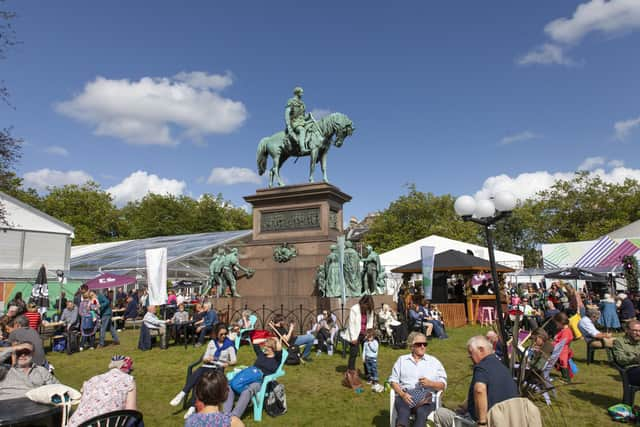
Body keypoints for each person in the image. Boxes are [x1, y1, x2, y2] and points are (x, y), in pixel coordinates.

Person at [434, 336, 518, 427]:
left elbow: (479, 390)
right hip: (508, 420)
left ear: (481, 350)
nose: (469, 356)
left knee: (439, 413)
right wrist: (465, 406)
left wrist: (482, 422)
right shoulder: (502, 367)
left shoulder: (482, 367)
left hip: (487, 422)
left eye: (471, 352)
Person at [171, 323, 237, 416]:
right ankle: (184, 395)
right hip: (208, 365)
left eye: (225, 334)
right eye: (221, 334)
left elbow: (234, 361)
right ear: (216, 333)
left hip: (218, 368)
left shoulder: (229, 345)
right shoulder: (211, 343)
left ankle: (191, 404)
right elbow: (205, 357)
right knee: (199, 374)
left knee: (200, 378)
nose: (223, 336)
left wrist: (227, 363)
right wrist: (207, 358)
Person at [388, 332, 447, 427]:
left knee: (421, 413)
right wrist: (402, 394)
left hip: (426, 400)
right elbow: (393, 381)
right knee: (403, 412)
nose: (423, 347)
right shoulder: (402, 360)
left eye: (425, 344)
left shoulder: (434, 362)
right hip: (405, 396)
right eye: (419, 344)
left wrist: (430, 384)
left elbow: (443, 385)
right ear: (411, 346)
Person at [67, 355, 137, 427]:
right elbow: (131, 412)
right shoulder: (128, 379)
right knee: (136, 420)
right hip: (100, 423)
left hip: (75, 423)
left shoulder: (92, 379)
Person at [223, 337, 283, 419]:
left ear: (273, 348)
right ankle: (225, 414)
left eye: (267, 347)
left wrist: (275, 339)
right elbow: (254, 342)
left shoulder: (276, 359)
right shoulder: (262, 354)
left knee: (247, 391)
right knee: (230, 386)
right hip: (249, 376)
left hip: (261, 382)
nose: (264, 348)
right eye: (264, 346)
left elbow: (279, 349)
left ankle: (234, 416)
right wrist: (265, 340)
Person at [342, 295, 375, 374]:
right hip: (355, 334)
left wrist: (369, 334)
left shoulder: (370, 310)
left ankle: (368, 373)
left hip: (365, 334)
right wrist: (353, 338)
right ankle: (351, 372)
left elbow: (370, 322)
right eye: (366, 305)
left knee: (367, 355)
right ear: (363, 303)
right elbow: (351, 324)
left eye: (368, 306)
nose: (367, 308)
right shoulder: (354, 309)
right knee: (354, 353)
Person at [612, 320, 640, 386]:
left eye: (639, 331)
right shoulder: (619, 342)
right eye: (635, 330)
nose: (638, 333)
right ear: (627, 330)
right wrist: (635, 359)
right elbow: (620, 359)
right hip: (631, 371)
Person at [285, 86, 310, 153]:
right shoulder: (291, 101)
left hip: (302, 122)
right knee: (302, 130)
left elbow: (303, 117)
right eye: (301, 92)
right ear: (297, 93)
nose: (302, 94)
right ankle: (302, 148)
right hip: (294, 122)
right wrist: (288, 125)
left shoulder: (302, 104)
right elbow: (287, 113)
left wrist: (308, 116)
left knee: (312, 127)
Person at [553, 312, 574, 381]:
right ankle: (564, 376)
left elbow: (562, 342)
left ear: (560, 322)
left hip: (562, 351)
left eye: (556, 323)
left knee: (563, 363)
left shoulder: (566, 331)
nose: (556, 325)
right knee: (561, 363)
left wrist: (554, 343)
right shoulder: (564, 330)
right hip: (560, 349)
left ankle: (566, 378)